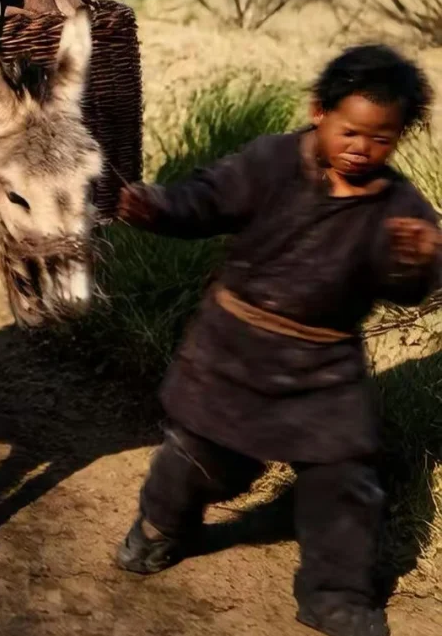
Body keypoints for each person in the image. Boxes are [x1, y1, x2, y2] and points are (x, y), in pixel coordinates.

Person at [114, 45, 441, 636]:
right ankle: (162, 525)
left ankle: (334, 594)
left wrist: (414, 263)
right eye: (350, 131)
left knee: (344, 477)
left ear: (398, 138)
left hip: (325, 365)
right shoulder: (270, 162)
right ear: (319, 111)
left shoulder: (400, 208)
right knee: (204, 462)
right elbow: (206, 199)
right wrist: (157, 207)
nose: (361, 149)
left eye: (381, 139)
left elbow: (409, 289)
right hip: (232, 350)